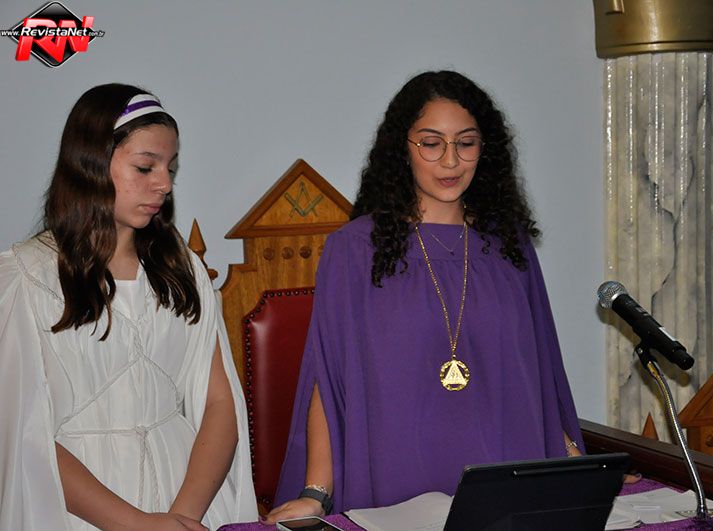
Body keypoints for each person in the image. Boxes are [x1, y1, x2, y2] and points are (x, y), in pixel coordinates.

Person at [266, 70, 585, 523]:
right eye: (432, 143)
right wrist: (317, 491)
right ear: (402, 148)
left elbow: (539, 371)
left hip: (505, 477)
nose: (451, 161)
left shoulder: (509, 246)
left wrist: (575, 462)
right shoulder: (355, 250)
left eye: (466, 143)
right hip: (397, 481)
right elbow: (329, 380)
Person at [0, 84, 258, 530]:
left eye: (170, 168)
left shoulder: (182, 269)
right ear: (91, 164)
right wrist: (135, 524)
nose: (164, 184)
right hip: (79, 508)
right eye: (145, 166)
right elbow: (24, 434)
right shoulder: (28, 278)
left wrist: (180, 518)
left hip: (187, 495)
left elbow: (220, 403)